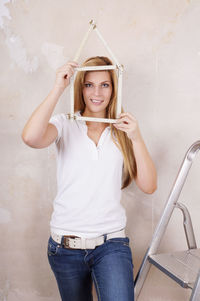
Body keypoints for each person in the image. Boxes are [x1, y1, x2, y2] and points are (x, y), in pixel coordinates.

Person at [21, 56, 157, 301]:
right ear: (80, 88)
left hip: (111, 244)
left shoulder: (124, 129)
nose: (97, 92)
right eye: (89, 84)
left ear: (114, 88)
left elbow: (148, 186)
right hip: (65, 246)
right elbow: (31, 137)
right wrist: (57, 88)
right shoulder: (65, 124)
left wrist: (136, 137)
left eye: (105, 84)